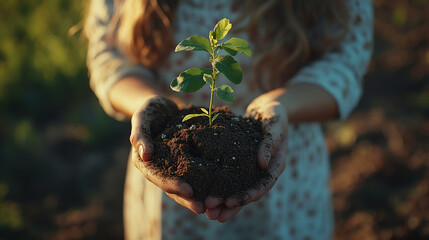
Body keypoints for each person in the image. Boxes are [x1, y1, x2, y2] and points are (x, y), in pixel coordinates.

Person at [85, 0, 373, 239]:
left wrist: (278, 104)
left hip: (283, 176)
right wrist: (148, 104)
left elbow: (345, 58)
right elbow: (108, 55)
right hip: (170, 188)